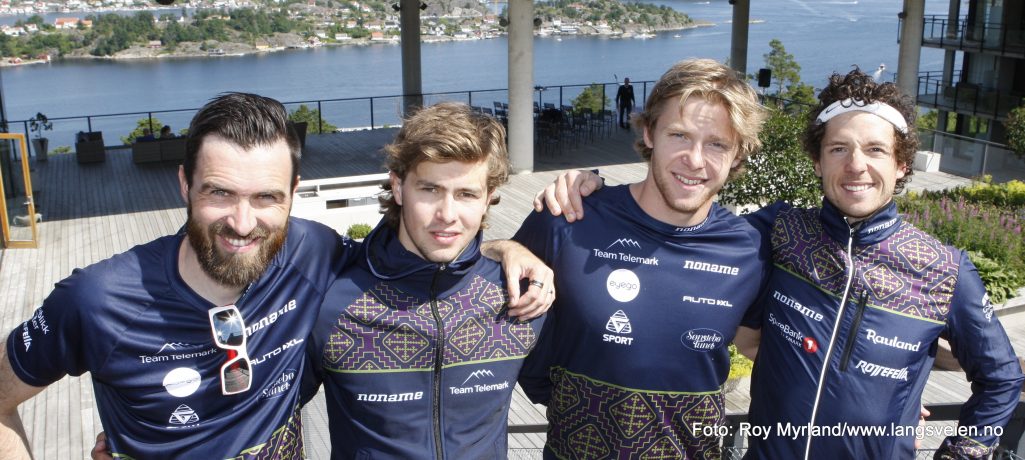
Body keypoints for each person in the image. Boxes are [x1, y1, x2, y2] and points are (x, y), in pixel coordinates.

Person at [1, 92, 553, 460]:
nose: (243, 223)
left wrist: (503, 249)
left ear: (293, 198)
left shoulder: (314, 255)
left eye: (266, 197)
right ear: (183, 185)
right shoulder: (97, 298)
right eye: (220, 192)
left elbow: (419, 253)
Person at [536, 69, 1025, 459]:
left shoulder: (943, 267)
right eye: (838, 148)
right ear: (817, 162)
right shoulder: (778, 232)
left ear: (901, 165)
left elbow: (1001, 377)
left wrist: (963, 449)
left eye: (876, 150)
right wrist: (574, 193)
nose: (856, 165)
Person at [514, 59, 771, 459]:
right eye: (679, 135)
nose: (696, 159)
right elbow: (474, 281)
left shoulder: (750, 250)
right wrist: (503, 247)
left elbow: (767, 351)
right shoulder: (570, 217)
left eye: (717, 143)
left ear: (738, 155)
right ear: (649, 132)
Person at [304, 102, 547, 458]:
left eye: (466, 194)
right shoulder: (333, 302)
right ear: (398, 187)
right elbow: (269, 413)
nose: (446, 215)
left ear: (488, 199)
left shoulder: (519, 298)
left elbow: (572, 395)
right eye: (430, 190)